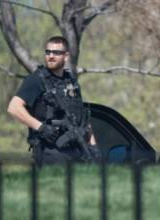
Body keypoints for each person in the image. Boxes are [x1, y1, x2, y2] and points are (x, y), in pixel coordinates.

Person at [7, 36, 100, 166]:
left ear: (66, 56)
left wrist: (93, 146)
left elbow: (83, 118)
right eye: (48, 52)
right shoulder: (37, 80)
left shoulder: (71, 82)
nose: (50, 56)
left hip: (77, 151)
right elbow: (14, 108)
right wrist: (41, 127)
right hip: (50, 152)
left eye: (56, 53)